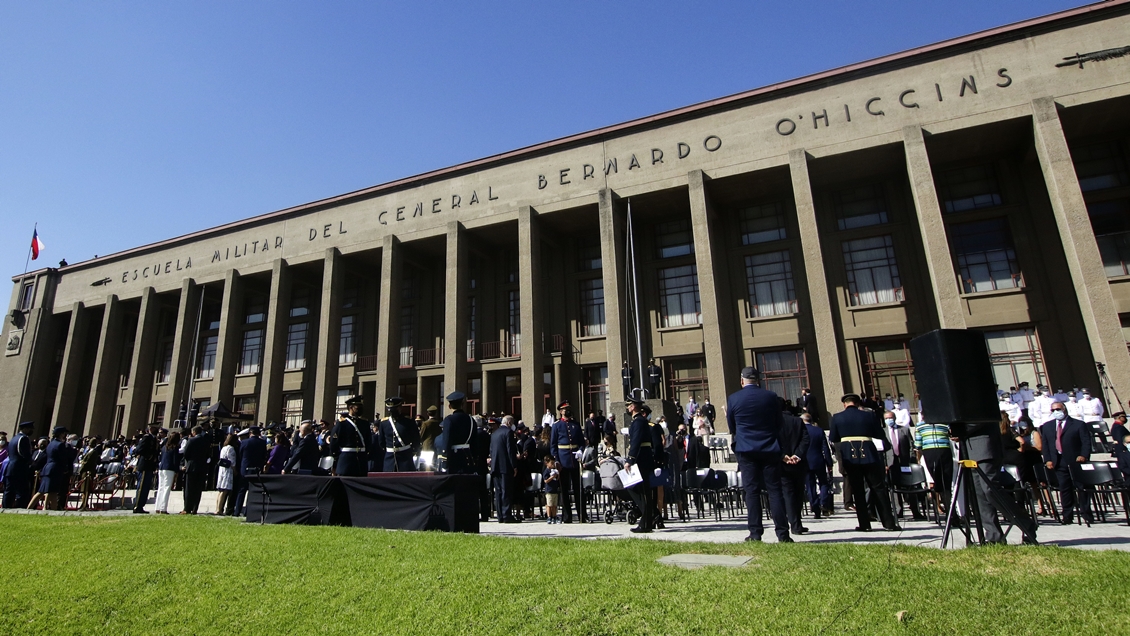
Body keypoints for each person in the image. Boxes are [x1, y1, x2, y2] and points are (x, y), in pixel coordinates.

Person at [727, 367, 791, 543]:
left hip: (746, 449)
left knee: (752, 491)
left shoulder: (734, 398)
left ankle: (755, 533)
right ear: (758, 380)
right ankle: (783, 533)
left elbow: (732, 426)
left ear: (742, 380)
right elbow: (779, 423)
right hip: (769, 447)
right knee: (775, 490)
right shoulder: (771, 397)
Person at [829, 394, 899, 532]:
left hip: (849, 453)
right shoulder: (869, 415)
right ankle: (888, 523)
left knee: (858, 490)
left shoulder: (837, 417)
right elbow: (879, 434)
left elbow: (833, 437)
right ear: (857, 403)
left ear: (845, 404)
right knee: (878, 488)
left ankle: (864, 524)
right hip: (868, 452)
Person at [1040, 401, 1093, 525]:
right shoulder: (1047, 426)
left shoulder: (1078, 424)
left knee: (1082, 488)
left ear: (1064, 409)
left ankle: (1086, 513)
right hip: (1059, 461)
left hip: (1076, 461)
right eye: (1053, 410)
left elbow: (1086, 441)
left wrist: (1084, 455)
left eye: (1058, 409)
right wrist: (1048, 459)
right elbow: (1046, 445)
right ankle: (1067, 516)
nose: (1056, 412)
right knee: (1065, 488)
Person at [550, 400, 586, 523]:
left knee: (578, 488)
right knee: (564, 489)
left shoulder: (575, 424)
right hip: (563, 459)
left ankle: (582, 515)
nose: (567, 411)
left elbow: (581, 442)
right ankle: (567, 516)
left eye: (568, 408)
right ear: (561, 411)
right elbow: (553, 445)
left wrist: (581, 450)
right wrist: (556, 460)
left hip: (575, 459)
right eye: (565, 409)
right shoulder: (556, 425)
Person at [623, 395, 655, 533]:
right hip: (644, 458)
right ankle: (649, 519)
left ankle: (647, 520)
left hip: (641, 459)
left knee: (639, 490)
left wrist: (630, 459)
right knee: (642, 491)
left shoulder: (638, 422)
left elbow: (635, 442)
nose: (628, 407)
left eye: (629, 405)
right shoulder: (640, 421)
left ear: (634, 406)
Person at [778, 401, 810, 535]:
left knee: (788, 494)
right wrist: (797, 455)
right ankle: (798, 523)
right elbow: (805, 439)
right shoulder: (797, 421)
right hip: (799, 463)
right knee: (798, 493)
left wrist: (783, 456)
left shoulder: (773, 423)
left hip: (782, 463)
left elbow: (771, 440)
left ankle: (794, 524)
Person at [883, 410, 922, 520]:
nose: (888, 420)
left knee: (910, 486)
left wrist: (911, 459)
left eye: (890, 417)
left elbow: (911, 445)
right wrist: (885, 464)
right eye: (886, 418)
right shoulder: (883, 432)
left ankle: (915, 511)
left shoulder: (904, 430)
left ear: (894, 418)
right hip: (891, 462)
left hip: (904, 461)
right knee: (894, 486)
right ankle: (898, 511)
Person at [913, 415, 953, 515]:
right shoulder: (945, 422)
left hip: (929, 452)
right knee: (946, 482)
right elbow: (951, 435)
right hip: (944, 450)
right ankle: (950, 511)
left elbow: (918, 445)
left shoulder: (919, 426)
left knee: (938, 481)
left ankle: (947, 509)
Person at [331, 396, 371, 477]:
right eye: (358, 407)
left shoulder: (364, 423)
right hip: (346, 460)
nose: (360, 409)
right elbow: (334, 442)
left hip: (361, 459)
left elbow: (368, 440)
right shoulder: (342, 423)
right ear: (351, 407)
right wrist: (335, 458)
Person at [803, 413, 834, 518]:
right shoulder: (819, 430)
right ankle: (823, 502)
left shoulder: (800, 431)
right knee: (823, 482)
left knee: (810, 485)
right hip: (819, 460)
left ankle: (815, 506)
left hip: (806, 461)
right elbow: (825, 448)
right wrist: (829, 462)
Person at [37, 426, 75, 511]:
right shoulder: (60, 444)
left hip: (48, 468)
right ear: (61, 434)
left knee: (45, 492)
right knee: (50, 491)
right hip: (55, 469)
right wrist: (66, 469)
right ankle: (48, 508)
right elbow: (63, 458)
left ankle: (51, 509)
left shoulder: (50, 443)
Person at [490, 414, 519, 523]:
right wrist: (514, 466)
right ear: (509, 423)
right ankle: (507, 515)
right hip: (505, 466)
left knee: (498, 492)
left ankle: (500, 516)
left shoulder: (494, 433)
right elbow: (510, 451)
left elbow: (491, 451)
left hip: (495, 466)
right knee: (506, 491)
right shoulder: (508, 433)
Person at [378, 397, 420, 472]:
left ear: (400, 408)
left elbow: (415, 438)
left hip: (405, 458)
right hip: (389, 459)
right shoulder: (384, 423)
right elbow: (381, 442)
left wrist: (413, 451)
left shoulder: (408, 421)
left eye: (394, 409)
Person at [234, 426, 268, 517]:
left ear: (250, 433)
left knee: (241, 490)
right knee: (252, 491)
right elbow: (264, 456)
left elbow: (240, 455)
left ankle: (237, 510)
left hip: (245, 468)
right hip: (256, 469)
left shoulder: (244, 442)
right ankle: (248, 511)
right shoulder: (262, 442)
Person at [2, 421, 35, 509]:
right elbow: (24, 453)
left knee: (9, 490)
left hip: (10, 467)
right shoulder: (24, 438)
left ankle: (6, 507)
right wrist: (31, 461)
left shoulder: (14, 438)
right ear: (25, 429)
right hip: (19, 468)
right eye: (30, 429)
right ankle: (19, 507)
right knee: (22, 491)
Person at [182, 425, 211, 514]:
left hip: (192, 466)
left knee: (189, 488)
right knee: (198, 489)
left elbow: (186, 453)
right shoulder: (206, 441)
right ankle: (195, 508)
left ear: (194, 432)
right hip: (202, 466)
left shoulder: (191, 440)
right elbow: (208, 454)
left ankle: (187, 508)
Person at [132, 424, 160, 514]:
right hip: (144, 464)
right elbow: (139, 450)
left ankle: (141, 505)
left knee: (146, 487)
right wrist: (150, 457)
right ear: (151, 429)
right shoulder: (146, 437)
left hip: (150, 466)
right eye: (156, 428)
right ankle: (137, 506)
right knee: (141, 487)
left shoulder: (154, 438)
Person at [155, 431, 181, 514]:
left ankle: (158, 507)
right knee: (166, 488)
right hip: (169, 469)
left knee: (161, 488)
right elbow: (175, 460)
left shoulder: (164, 447)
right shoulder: (175, 447)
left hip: (162, 468)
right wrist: (177, 471)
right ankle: (163, 508)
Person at [215, 434, 238, 514]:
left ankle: (217, 508)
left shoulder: (224, 447)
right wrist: (235, 471)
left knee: (220, 490)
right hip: (228, 471)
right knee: (224, 491)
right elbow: (232, 462)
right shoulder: (231, 449)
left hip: (222, 470)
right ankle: (219, 510)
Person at [543, 456, 560, 523]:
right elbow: (546, 481)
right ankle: (549, 516)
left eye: (554, 463)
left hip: (555, 490)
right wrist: (552, 477)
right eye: (551, 463)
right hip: (549, 490)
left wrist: (557, 475)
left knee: (554, 505)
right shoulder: (546, 471)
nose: (553, 464)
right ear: (546, 463)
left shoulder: (554, 470)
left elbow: (557, 479)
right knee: (549, 505)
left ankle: (554, 516)